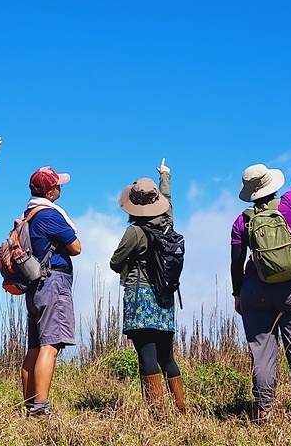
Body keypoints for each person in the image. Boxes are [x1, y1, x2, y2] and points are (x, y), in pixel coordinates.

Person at [231, 133, 291, 419]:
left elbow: (236, 264)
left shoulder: (242, 221)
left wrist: (238, 294)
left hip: (255, 291)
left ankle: (264, 411)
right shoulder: (289, 204)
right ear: (272, 186)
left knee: (261, 353)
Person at [110, 159, 185, 412]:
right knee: (167, 356)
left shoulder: (135, 232)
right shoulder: (167, 223)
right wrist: (166, 175)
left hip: (140, 296)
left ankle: (157, 414)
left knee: (146, 356)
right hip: (164, 296)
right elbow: (168, 198)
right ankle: (181, 408)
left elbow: (114, 262)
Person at [21, 166, 82, 418]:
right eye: (57, 184)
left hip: (34, 285)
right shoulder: (49, 215)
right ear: (50, 190)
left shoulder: (28, 214)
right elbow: (76, 247)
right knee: (50, 346)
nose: (60, 188)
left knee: (34, 347)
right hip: (53, 283)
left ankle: (29, 405)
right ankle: (40, 409)